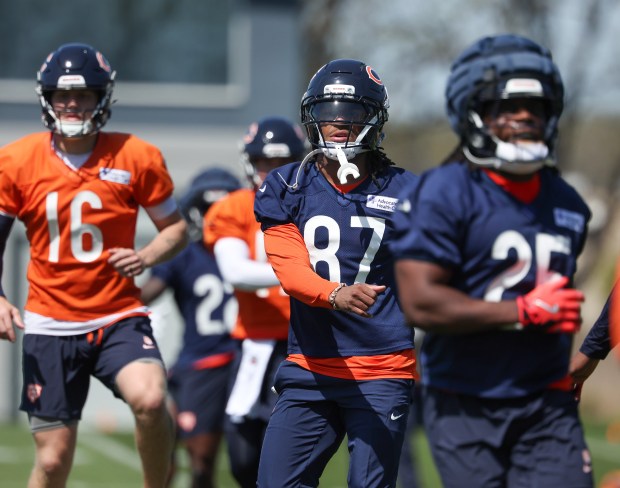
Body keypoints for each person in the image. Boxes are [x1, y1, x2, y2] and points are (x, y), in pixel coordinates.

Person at [391, 34, 594, 487]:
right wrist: (521, 311)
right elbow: (420, 303)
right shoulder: (443, 192)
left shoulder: (568, 205)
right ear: (474, 114)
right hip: (465, 398)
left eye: (536, 107)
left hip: (545, 400)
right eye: (508, 106)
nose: (525, 116)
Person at [0, 42, 188, 488]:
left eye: (83, 94)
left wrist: (145, 256)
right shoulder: (16, 160)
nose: (72, 104)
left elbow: (177, 229)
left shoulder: (136, 156)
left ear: (103, 97)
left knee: (150, 397)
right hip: (48, 323)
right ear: (47, 99)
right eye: (63, 95)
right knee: (52, 460)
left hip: (118, 316)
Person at [254, 59, 418, 488]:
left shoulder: (408, 191)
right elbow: (289, 270)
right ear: (312, 116)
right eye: (328, 112)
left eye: (352, 113)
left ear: (374, 120)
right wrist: (335, 294)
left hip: (382, 367)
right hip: (310, 366)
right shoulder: (286, 186)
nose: (339, 123)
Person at [203, 116, 306, 487]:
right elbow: (236, 272)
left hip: (308, 343)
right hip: (257, 342)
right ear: (250, 163)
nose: (273, 172)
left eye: (282, 164)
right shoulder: (233, 207)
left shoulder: (321, 207)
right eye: (265, 163)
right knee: (244, 458)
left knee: (293, 457)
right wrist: (305, 277)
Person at [141, 168, 241, 488]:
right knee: (197, 459)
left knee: (249, 459)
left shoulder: (256, 246)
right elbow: (148, 291)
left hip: (248, 359)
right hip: (202, 363)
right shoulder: (184, 253)